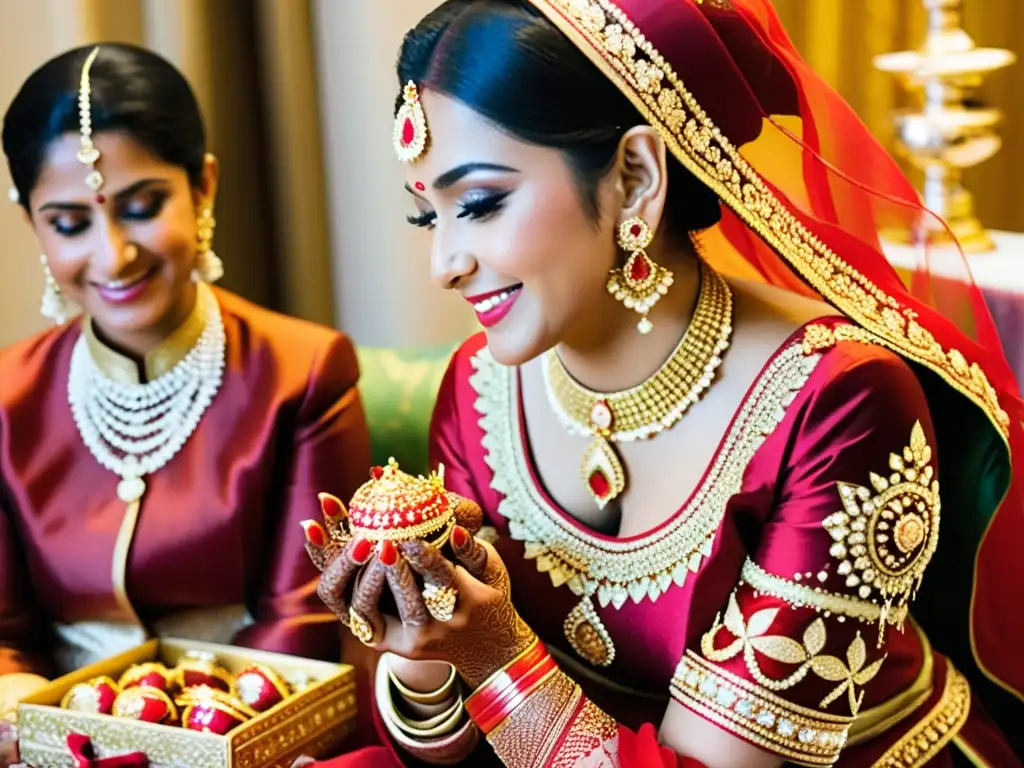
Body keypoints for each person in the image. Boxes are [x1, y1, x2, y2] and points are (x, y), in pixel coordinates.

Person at [303, 1, 1024, 766]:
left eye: (479, 204)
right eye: (428, 219)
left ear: (635, 178)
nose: (444, 263)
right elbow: (454, 744)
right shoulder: (479, 389)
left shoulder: (839, 401)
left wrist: (495, 655)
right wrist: (422, 635)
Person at [0, 42, 373, 756]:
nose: (112, 256)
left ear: (202, 187)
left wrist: (181, 744)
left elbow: (305, 623)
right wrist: (34, 721)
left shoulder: (302, 373)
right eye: (70, 223)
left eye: (141, 207)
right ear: (34, 226)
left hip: (250, 734)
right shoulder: (8, 399)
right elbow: (4, 638)